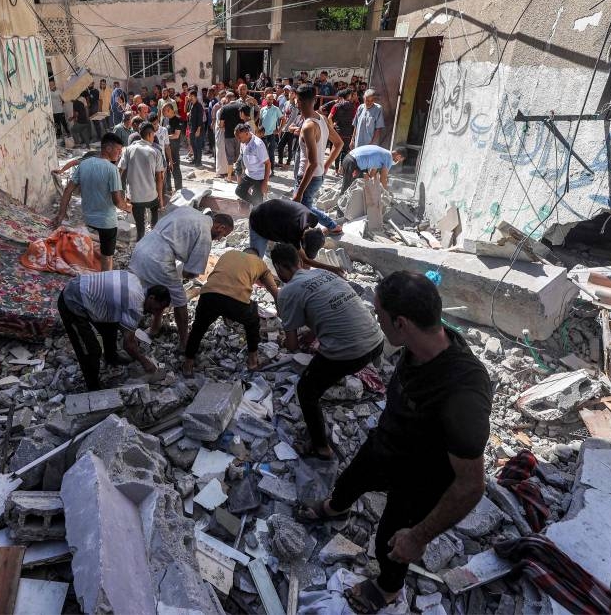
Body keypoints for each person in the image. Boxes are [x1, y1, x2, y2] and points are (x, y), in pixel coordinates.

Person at [295, 272, 491, 613]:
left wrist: (419, 536)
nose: (376, 322)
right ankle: (334, 508)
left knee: (394, 539)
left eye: (378, 316)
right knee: (350, 481)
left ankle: (387, 588)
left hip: (419, 476)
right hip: (386, 443)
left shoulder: (462, 394)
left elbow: (471, 484)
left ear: (400, 323)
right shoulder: (419, 345)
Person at [270, 243, 384, 458]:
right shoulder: (323, 273)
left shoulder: (287, 291)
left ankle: (320, 446)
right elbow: (330, 308)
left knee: (306, 390)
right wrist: (313, 334)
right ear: (300, 262)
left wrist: (285, 342)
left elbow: (293, 346)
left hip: (350, 353)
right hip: (376, 341)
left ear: (279, 267)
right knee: (327, 370)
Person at [129, 207, 234, 352]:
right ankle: (185, 343)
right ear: (220, 226)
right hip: (158, 259)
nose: (220, 239)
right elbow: (189, 273)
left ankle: (151, 328)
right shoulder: (205, 234)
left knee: (153, 292)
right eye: (223, 234)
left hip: (142, 248)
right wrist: (183, 273)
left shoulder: (190, 212)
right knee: (179, 300)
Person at [57, 270, 171, 390]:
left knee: (111, 326)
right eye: (157, 308)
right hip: (72, 302)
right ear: (152, 298)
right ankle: (93, 387)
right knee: (90, 350)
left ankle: (111, 357)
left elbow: (124, 323)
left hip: (85, 289)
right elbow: (128, 345)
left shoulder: (136, 281)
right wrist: (144, 361)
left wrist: (130, 332)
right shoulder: (135, 305)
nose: (155, 312)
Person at [182, 247, 279, 376]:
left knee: (198, 328)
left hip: (208, 294)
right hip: (236, 301)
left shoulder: (228, 254)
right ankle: (253, 361)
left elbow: (222, 278)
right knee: (252, 322)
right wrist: (279, 306)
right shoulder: (259, 262)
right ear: (257, 256)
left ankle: (188, 365)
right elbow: (273, 289)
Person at [53, 134, 131, 271]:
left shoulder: (84, 164)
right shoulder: (112, 170)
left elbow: (67, 190)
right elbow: (118, 201)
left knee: (88, 250)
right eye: (118, 151)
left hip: (88, 218)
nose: (119, 155)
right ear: (107, 148)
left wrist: (61, 214)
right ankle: (106, 283)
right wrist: (129, 207)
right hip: (107, 222)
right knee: (107, 257)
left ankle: (91, 276)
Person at [293, 85, 343, 235]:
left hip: (308, 176)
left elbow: (313, 162)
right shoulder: (321, 118)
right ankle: (329, 227)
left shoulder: (308, 126)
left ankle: (330, 227)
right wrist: (326, 165)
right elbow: (339, 143)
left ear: (298, 101)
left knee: (303, 209)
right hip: (317, 175)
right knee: (304, 207)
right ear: (314, 100)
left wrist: (299, 192)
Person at [248, 199, 345, 276]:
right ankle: (254, 277)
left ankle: (271, 253)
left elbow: (320, 233)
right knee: (255, 259)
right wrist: (331, 268)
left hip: (276, 214)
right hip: (258, 218)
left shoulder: (313, 218)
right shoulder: (294, 234)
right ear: (302, 240)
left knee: (284, 248)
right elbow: (306, 260)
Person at [119, 122, 165, 240]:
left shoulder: (128, 150)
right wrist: (161, 199)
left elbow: (119, 171)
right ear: (150, 135)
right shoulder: (155, 151)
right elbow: (159, 178)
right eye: (153, 134)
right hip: (151, 195)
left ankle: (140, 243)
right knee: (154, 215)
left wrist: (120, 194)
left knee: (140, 226)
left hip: (135, 196)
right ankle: (153, 239)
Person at [340, 144, 408, 193]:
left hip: (350, 159)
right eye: (399, 160)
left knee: (359, 185)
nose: (397, 162)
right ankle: (339, 209)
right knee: (346, 186)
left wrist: (370, 183)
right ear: (399, 156)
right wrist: (386, 192)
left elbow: (373, 171)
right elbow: (383, 178)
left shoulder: (383, 154)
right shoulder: (389, 158)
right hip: (352, 162)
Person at [234, 123, 270, 207]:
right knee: (239, 191)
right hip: (249, 174)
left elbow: (268, 164)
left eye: (240, 138)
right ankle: (256, 203)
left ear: (247, 133)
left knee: (258, 200)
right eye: (237, 138)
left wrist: (265, 182)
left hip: (259, 176)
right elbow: (244, 159)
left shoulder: (258, 145)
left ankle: (258, 207)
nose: (239, 140)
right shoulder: (243, 141)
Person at [218, 101, 251, 182]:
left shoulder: (224, 108)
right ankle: (241, 176)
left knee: (230, 157)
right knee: (240, 156)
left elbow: (221, 124)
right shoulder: (242, 106)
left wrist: (222, 126)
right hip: (241, 136)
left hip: (229, 135)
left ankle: (229, 177)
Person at [329, 89, 358, 166]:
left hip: (337, 131)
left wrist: (332, 127)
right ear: (348, 96)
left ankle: (336, 170)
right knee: (345, 151)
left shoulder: (336, 106)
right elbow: (354, 119)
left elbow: (329, 117)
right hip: (348, 132)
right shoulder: (353, 107)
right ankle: (342, 168)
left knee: (337, 149)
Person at [163, 103, 184, 196]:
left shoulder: (178, 120)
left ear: (170, 110)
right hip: (166, 147)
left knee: (175, 168)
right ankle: (168, 189)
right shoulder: (165, 119)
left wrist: (164, 137)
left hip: (174, 148)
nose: (163, 113)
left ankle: (179, 189)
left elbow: (176, 135)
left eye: (164, 111)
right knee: (166, 168)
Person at [259, 93, 282, 168]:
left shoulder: (276, 109)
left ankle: (271, 170)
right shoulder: (262, 109)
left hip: (271, 134)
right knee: (262, 153)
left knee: (271, 153)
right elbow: (260, 121)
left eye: (271, 99)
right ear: (265, 99)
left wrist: (279, 129)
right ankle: (263, 169)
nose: (270, 100)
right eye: (269, 98)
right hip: (263, 135)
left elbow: (283, 119)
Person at [187, 90, 205, 167]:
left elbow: (200, 119)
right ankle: (195, 159)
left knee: (198, 145)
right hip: (192, 128)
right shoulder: (191, 105)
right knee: (193, 144)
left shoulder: (199, 106)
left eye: (190, 96)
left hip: (198, 129)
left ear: (194, 96)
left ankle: (199, 161)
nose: (189, 97)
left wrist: (198, 130)